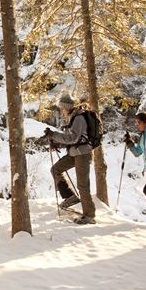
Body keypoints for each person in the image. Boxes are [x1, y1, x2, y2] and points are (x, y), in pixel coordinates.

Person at [44, 93, 96, 225]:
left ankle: (89, 215)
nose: (61, 110)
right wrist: (57, 142)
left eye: (62, 107)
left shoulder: (78, 118)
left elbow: (73, 138)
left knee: (83, 184)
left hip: (82, 154)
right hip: (74, 153)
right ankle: (70, 197)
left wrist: (54, 135)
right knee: (56, 169)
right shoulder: (73, 117)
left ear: (67, 106)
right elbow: (72, 138)